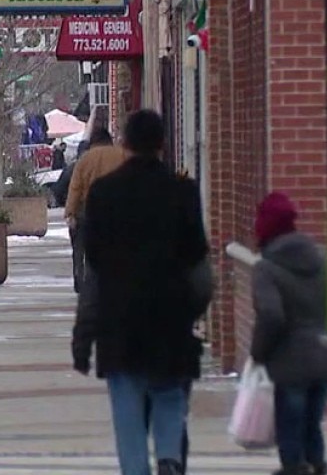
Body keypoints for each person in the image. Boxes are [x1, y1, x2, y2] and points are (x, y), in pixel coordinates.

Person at [76, 109, 209, 475]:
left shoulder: (103, 194)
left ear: (126, 144)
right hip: (170, 318)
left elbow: (96, 267)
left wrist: (84, 334)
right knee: (169, 397)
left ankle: (136, 469)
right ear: (163, 144)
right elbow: (198, 256)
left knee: (127, 408)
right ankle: (169, 458)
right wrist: (193, 308)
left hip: (120, 323)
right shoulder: (182, 192)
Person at [251, 192, 327, 475]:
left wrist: (259, 352)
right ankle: (318, 465)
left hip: (289, 363)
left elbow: (271, 315)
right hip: (324, 355)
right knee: (313, 425)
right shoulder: (321, 259)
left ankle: (296, 469)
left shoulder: (267, 268)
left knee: (291, 430)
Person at [62, 127, 126, 292]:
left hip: (88, 210)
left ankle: (85, 280)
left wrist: (71, 212)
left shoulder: (85, 159)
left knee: (86, 248)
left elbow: (75, 188)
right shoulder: (121, 156)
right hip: (116, 210)